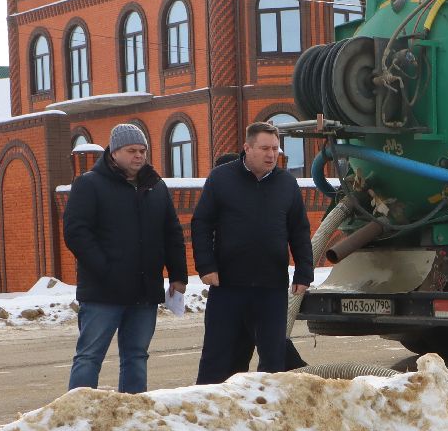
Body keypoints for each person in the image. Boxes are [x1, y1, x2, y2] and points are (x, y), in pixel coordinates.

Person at [62, 123, 187, 394]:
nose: (139, 156)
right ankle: (79, 415)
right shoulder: (89, 184)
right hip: (102, 292)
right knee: (89, 357)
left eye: (142, 150)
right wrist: (106, 270)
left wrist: (178, 275)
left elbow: (172, 232)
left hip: (144, 290)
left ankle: (132, 415)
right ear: (115, 152)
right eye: (132, 150)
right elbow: (76, 233)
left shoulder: (156, 186)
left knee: (136, 356)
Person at [192, 123, 314, 383]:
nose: (271, 155)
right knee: (218, 355)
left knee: (273, 358)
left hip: (271, 288)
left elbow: (300, 231)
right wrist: (205, 266)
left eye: (275, 149)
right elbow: (201, 223)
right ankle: (209, 411)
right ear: (247, 148)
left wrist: (304, 272)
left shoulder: (286, 183)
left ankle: (268, 412)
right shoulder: (221, 179)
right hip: (228, 285)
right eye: (264, 148)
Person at [208, 151, 306, 377]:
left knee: (270, 347)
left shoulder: (275, 190)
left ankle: (300, 376)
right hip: (233, 285)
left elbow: (297, 232)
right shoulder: (223, 203)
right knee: (242, 348)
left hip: (262, 283)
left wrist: (303, 272)